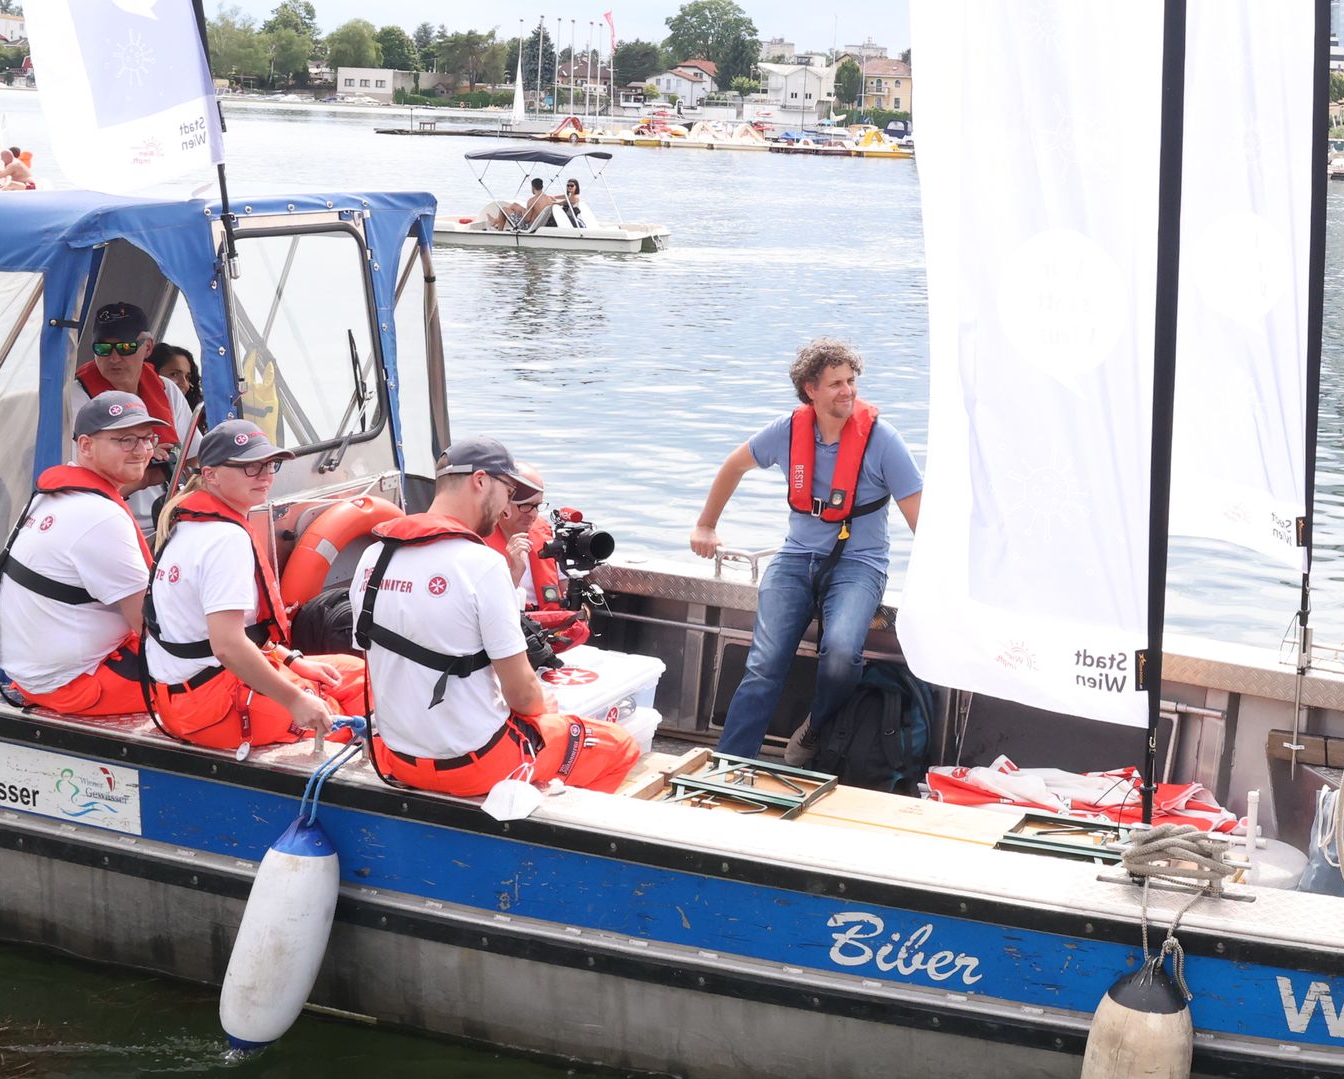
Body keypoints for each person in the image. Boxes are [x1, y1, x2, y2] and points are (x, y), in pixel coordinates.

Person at [340, 437, 640, 798]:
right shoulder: (482, 566)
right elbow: (523, 696)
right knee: (619, 747)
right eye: (508, 490)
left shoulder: (374, 557)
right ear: (480, 481)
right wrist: (544, 704)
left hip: (396, 757)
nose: (505, 507)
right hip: (476, 764)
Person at [690, 336, 924, 762]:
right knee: (764, 665)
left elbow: (918, 517)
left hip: (860, 564)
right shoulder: (785, 431)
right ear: (810, 390)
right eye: (836, 383)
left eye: (851, 381)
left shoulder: (884, 440)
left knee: (839, 656)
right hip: (796, 559)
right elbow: (733, 465)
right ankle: (730, 762)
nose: (848, 391)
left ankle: (815, 728)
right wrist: (706, 525)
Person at [143, 421, 372, 748]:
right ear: (210, 475)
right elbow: (227, 645)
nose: (264, 475)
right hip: (213, 705)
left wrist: (293, 661)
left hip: (185, 695)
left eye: (269, 464)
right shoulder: (225, 540)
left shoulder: (184, 525)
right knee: (345, 719)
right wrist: (295, 700)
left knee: (355, 674)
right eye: (249, 467)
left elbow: (221, 635)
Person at [0, 391, 179, 719]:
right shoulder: (100, 516)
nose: (143, 450)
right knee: (222, 674)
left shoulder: (51, 496)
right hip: (77, 683)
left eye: (147, 439)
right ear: (87, 446)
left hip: (32, 676)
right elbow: (150, 625)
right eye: (125, 440)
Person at [74, 301, 186, 439]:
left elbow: (193, 455)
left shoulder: (167, 389)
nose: (114, 358)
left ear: (148, 347)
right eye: (103, 348)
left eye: (126, 347)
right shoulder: (73, 398)